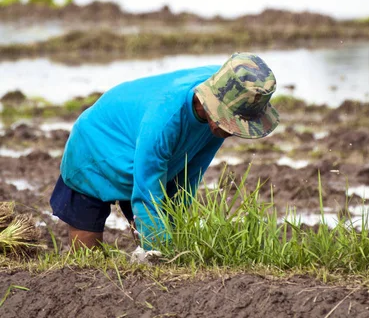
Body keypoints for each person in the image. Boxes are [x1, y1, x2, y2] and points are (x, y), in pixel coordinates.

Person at [50, 52, 279, 251]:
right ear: (213, 107)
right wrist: (161, 253)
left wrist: (175, 233)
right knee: (89, 251)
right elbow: (147, 196)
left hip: (142, 151)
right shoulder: (164, 120)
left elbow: (189, 175)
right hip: (95, 148)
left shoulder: (226, 90)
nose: (235, 131)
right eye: (233, 122)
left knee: (160, 226)